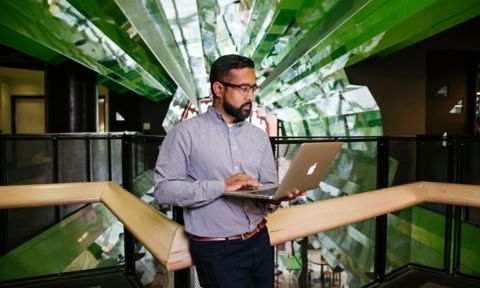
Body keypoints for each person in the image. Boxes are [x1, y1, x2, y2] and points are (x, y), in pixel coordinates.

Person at [154, 54, 302, 288]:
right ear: (218, 88)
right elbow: (164, 190)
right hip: (217, 251)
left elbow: (265, 196)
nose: (250, 96)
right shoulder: (184, 133)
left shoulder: (259, 137)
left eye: (253, 88)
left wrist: (278, 196)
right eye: (243, 88)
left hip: (260, 241)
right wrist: (222, 186)